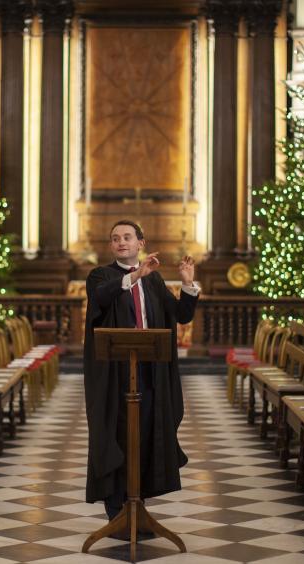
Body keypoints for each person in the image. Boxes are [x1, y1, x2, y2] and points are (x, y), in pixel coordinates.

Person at [83, 219, 199, 522]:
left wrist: (187, 284)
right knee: (117, 435)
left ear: (140, 243)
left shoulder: (154, 281)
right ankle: (116, 506)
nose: (121, 242)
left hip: (149, 373)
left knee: (147, 434)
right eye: (115, 238)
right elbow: (102, 297)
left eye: (127, 237)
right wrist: (136, 274)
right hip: (114, 376)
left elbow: (181, 315)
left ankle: (139, 502)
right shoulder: (100, 276)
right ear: (111, 246)